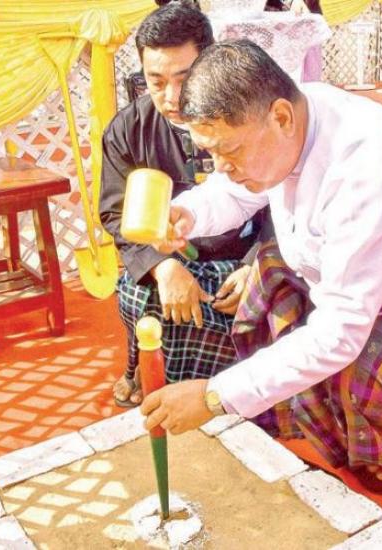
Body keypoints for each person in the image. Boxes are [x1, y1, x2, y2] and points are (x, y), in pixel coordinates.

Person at [141, 40, 382, 493]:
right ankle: (308, 418)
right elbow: (236, 188)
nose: (222, 168)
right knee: (269, 279)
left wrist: (214, 397)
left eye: (231, 151)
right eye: (212, 153)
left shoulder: (371, 170)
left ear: (281, 117)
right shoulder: (289, 118)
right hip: (363, 271)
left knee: (364, 372)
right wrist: (188, 213)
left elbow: (340, 332)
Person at [99, 6, 268, 407]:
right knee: (139, 294)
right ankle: (148, 372)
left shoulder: (245, 115)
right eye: (156, 82)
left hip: (243, 256)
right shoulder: (128, 129)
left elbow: (280, 197)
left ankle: (234, 386)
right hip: (170, 256)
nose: (171, 97)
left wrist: (258, 264)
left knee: (269, 296)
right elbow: (114, 212)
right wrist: (163, 266)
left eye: (184, 78)